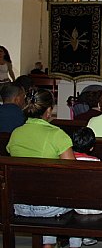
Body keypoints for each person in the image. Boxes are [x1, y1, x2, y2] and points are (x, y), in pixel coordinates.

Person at [7, 88, 82, 248]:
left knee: (49, 190)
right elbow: (73, 171)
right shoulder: (56, 135)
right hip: (48, 207)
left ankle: (48, 244)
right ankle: (74, 243)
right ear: (48, 111)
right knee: (73, 193)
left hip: (19, 204)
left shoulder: (16, 133)